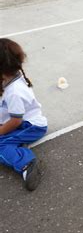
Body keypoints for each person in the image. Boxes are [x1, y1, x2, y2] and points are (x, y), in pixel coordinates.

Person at [0, 39, 47, 191]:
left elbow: (16, 121)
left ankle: (27, 163)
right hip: (18, 122)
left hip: (31, 126)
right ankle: (16, 142)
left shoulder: (14, 92)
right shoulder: (10, 76)